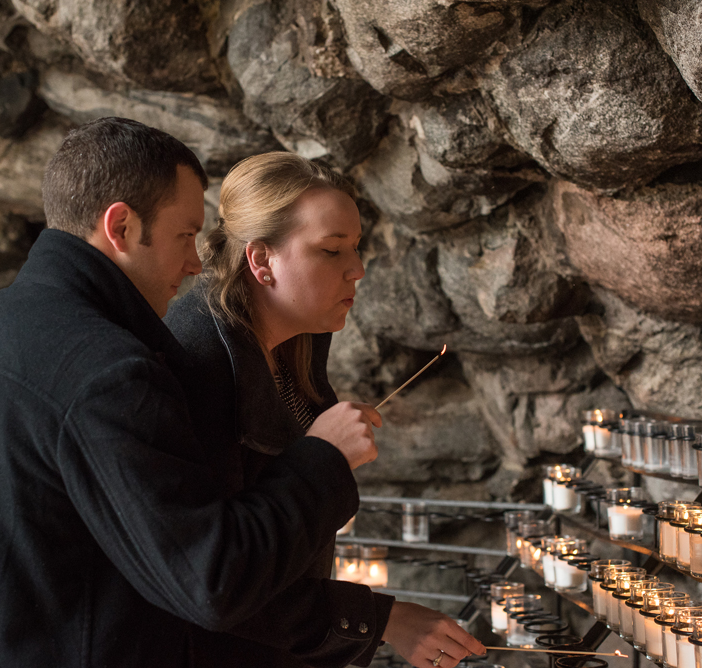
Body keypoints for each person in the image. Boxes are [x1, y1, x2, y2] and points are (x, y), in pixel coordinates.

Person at [0, 118, 395, 667]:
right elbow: (210, 581)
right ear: (122, 227)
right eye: (185, 234)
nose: (196, 262)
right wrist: (322, 461)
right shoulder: (112, 371)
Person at [166, 152, 486, 668]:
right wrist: (383, 620)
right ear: (261, 261)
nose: (357, 269)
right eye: (332, 250)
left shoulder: (294, 349)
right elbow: (213, 582)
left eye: (355, 247)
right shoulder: (197, 365)